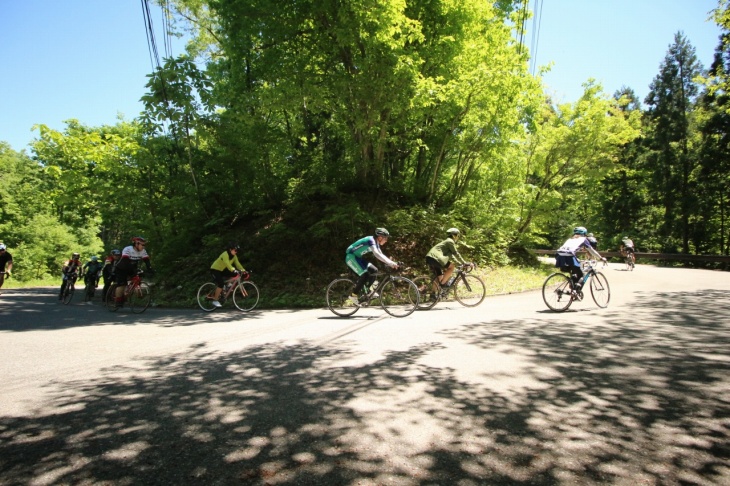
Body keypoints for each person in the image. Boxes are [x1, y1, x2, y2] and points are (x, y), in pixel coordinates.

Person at [345, 228, 399, 305]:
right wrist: (390, 263)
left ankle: (368, 292)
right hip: (351, 257)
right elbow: (376, 254)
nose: (386, 240)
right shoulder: (371, 240)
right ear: (380, 237)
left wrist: (392, 263)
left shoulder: (376, 243)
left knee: (374, 270)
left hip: (358, 258)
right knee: (365, 275)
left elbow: (381, 255)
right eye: (385, 238)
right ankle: (353, 295)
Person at [555, 227, 606, 295]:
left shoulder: (570, 239)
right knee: (581, 274)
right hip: (569, 256)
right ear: (584, 233)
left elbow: (566, 250)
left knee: (575, 273)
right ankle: (575, 291)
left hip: (559, 256)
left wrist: (577, 259)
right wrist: (601, 258)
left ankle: (571, 290)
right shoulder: (584, 239)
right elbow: (591, 251)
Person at [425, 228, 471, 295]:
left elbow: (452, 256)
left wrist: (459, 263)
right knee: (451, 267)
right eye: (458, 236)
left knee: (440, 277)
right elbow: (456, 253)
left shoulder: (447, 243)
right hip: (435, 258)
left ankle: (433, 294)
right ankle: (443, 285)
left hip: (431, 258)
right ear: (454, 235)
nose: (458, 237)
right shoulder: (450, 241)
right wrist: (464, 263)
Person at [112, 237, 154, 309]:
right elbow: (125, 261)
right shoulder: (128, 249)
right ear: (136, 244)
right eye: (142, 245)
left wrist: (150, 269)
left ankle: (129, 292)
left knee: (137, 279)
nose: (143, 247)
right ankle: (118, 301)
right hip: (121, 268)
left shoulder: (143, 251)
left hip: (132, 268)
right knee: (122, 285)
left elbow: (147, 261)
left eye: (144, 245)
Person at [209, 242, 247, 308]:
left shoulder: (234, 256)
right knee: (220, 283)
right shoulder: (225, 254)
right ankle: (215, 300)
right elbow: (227, 264)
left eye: (237, 251)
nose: (236, 252)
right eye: (235, 250)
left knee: (235, 275)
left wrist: (244, 271)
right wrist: (233, 269)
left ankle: (227, 286)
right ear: (230, 250)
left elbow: (238, 264)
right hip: (215, 269)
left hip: (223, 269)